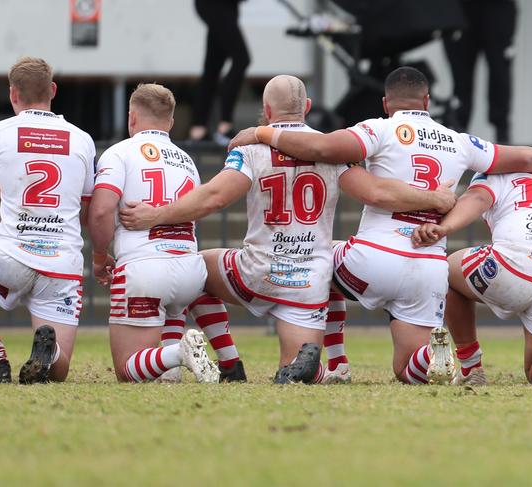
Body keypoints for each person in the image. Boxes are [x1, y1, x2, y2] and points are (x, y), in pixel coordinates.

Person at [227, 66, 532, 385]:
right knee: (407, 368)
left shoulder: (379, 128)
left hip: (373, 258)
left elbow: (321, 147)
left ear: (386, 103)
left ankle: (338, 363)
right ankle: (433, 356)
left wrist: (260, 132)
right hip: (429, 266)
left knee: (317, 260)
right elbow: (528, 158)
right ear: (428, 102)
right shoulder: (460, 141)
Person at [119, 74, 457, 384]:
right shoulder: (333, 150)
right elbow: (377, 193)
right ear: (307, 107)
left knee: (194, 270)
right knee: (293, 368)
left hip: (256, 272)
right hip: (307, 283)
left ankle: (228, 362)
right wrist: (436, 198)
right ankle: (328, 368)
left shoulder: (251, 147)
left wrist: (155, 215)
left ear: (266, 110)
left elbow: (215, 198)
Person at [90, 83, 246, 383]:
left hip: (143, 269)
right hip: (190, 272)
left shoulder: (119, 152)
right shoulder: (186, 160)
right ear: (171, 123)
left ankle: (177, 354)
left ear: (131, 117)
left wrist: (99, 256)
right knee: (174, 302)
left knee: (127, 369)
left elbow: (100, 210)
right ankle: (176, 366)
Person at [412, 167, 532, 385]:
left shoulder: (495, 174)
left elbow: (477, 199)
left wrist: (443, 227)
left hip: (514, 265)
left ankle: (471, 366)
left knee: (444, 271)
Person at [0, 57, 95, 384]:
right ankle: (50, 352)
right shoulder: (82, 139)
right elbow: (87, 214)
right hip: (61, 265)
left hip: (11, 256)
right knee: (58, 371)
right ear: (53, 90)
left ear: (12, 94)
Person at [443, 0, 518, 143]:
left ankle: (502, 131)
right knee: (460, 77)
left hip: (498, 9)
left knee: (500, 71)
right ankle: (458, 130)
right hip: (460, 9)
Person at [189, 0, 250, 145]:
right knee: (241, 59)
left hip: (224, 6)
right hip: (215, 5)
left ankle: (198, 128)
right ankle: (224, 125)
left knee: (213, 66)